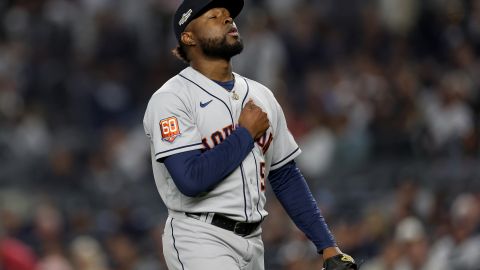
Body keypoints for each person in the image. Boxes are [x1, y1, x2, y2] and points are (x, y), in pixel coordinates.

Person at [143, 0, 358, 269]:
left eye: (228, 15)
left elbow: (285, 175)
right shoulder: (171, 98)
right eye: (214, 16)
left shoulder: (261, 95)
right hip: (199, 237)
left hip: (254, 242)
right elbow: (190, 180)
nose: (228, 20)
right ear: (188, 37)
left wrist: (328, 247)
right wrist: (245, 133)